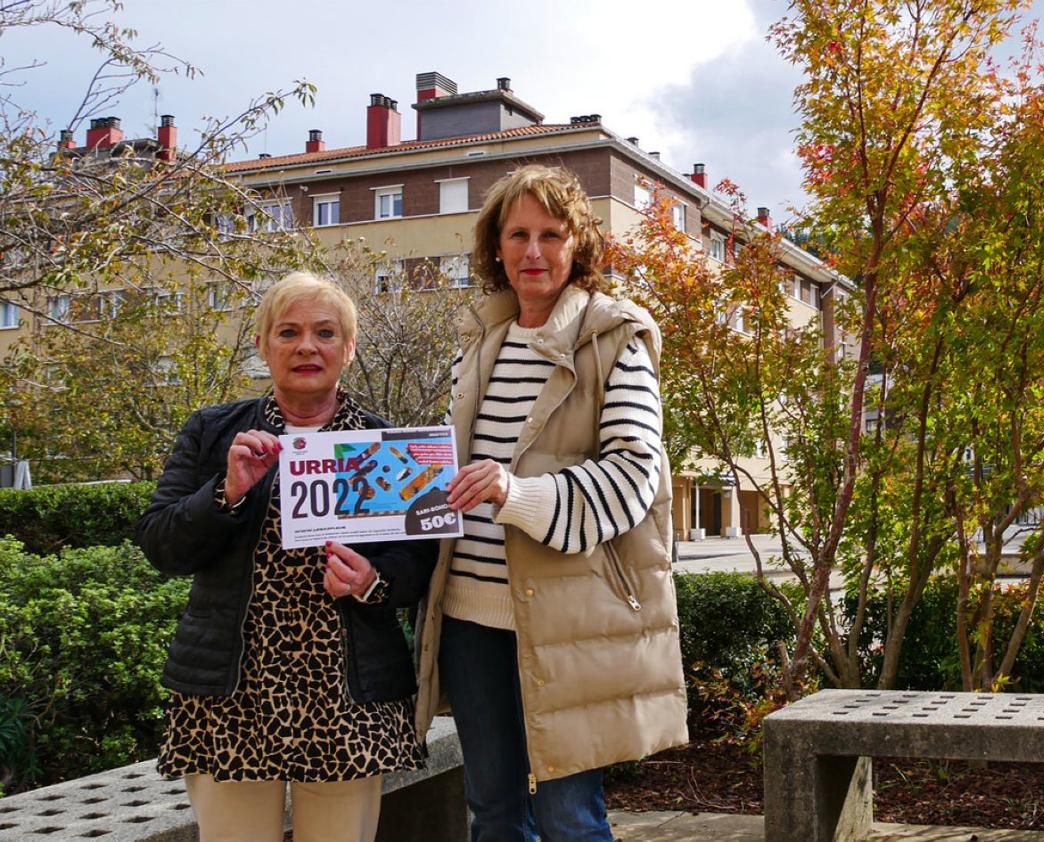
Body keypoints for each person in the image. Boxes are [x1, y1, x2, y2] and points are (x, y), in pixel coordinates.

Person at [413, 165, 687, 841]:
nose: (533, 252)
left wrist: (518, 494)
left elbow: (633, 476)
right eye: (518, 234)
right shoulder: (478, 340)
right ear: (496, 246)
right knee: (495, 813)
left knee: (571, 819)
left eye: (551, 234)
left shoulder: (614, 338)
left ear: (578, 245)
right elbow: (450, 472)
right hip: (470, 616)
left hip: (570, 617)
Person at [136, 271, 435, 842]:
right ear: (262, 345)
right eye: (288, 331)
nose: (306, 346)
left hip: (348, 696)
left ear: (348, 348)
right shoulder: (213, 432)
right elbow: (160, 544)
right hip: (231, 697)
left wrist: (374, 579)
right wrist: (224, 492)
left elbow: (420, 569)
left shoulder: (388, 447)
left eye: (325, 332)